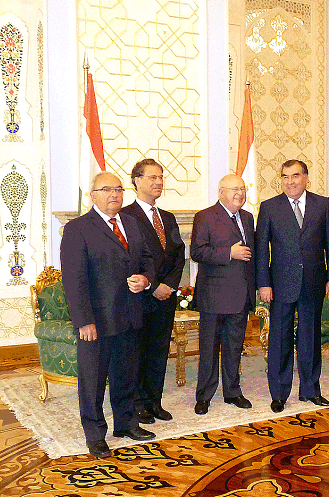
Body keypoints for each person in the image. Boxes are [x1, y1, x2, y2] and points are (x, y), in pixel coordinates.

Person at [60, 171, 156, 459]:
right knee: (92, 381)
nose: (114, 194)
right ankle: (95, 435)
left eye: (118, 189)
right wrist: (83, 321)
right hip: (97, 321)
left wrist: (146, 279)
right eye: (106, 190)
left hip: (130, 315)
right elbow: (73, 280)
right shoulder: (77, 228)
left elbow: (147, 260)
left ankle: (126, 424)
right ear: (93, 196)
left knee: (126, 374)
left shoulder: (132, 223)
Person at [256, 159, 329, 413]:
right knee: (280, 339)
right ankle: (279, 394)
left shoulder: (322, 204)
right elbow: (262, 250)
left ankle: (310, 390)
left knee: (310, 338)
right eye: (285, 177)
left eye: (295, 176)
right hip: (281, 284)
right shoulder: (269, 207)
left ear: (306, 178)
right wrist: (264, 284)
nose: (290, 181)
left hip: (313, 282)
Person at [121, 158, 185, 424]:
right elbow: (128, 259)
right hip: (140, 297)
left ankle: (154, 402)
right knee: (137, 352)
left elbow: (179, 255)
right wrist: (154, 285)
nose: (158, 182)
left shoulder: (167, 218)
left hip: (166, 298)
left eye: (161, 177)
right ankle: (138, 404)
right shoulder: (125, 216)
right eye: (152, 177)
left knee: (159, 351)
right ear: (136, 181)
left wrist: (169, 285)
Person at [189, 174, 256, 415]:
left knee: (234, 347)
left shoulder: (247, 217)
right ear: (221, 192)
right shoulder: (205, 216)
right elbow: (197, 251)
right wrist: (229, 253)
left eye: (242, 189)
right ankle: (204, 396)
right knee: (209, 348)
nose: (240, 193)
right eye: (234, 189)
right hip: (213, 295)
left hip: (241, 294)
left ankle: (233, 392)